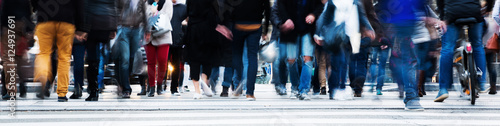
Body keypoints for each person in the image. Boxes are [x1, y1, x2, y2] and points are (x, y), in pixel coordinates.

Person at [435, 0, 493, 102]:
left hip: (452, 13)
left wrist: (443, 16)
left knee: (447, 48)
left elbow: (440, 2)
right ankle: (481, 82)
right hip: (474, 12)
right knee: (477, 45)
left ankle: (443, 89)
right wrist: (487, 9)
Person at [315, 0, 374, 100]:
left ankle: (338, 88)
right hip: (336, 36)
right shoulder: (332, 2)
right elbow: (324, 18)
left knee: (343, 63)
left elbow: (362, 16)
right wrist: (318, 34)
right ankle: (335, 89)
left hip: (349, 37)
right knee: (338, 62)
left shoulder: (355, 2)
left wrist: (369, 28)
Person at [32, 0, 88, 102]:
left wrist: (38, 8)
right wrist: (81, 27)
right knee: (64, 57)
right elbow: (79, 5)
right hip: (66, 21)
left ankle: (43, 78)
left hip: (45, 20)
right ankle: (62, 93)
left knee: (44, 53)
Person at [277, 0, 323, 101]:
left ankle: (304, 90)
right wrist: (286, 19)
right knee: (291, 60)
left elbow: (319, 5)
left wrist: (313, 15)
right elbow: (280, 4)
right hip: (291, 29)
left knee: (308, 58)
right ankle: (294, 87)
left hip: (307, 28)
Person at [186, 0, 228, 99]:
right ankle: (204, 81)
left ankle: (197, 90)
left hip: (193, 29)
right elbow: (216, 14)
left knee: (194, 59)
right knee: (207, 58)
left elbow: (187, 11)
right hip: (208, 29)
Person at [229, 0, 270, 101]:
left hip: (237, 25)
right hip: (255, 25)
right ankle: (250, 93)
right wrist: (265, 30)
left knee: (236, 55)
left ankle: (237, 84)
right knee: (252, 58)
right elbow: (268, 9)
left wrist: (228, 25)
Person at [115, 0, 151, 98]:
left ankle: (122, 82)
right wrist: (116, 24)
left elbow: (145, 13)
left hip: (136, 30)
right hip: (124, 29)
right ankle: (126, 89)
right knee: (125, 59)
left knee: (131, 58)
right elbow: (116, 8)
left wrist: (147, 30)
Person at [84, 0, 118, 101]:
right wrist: (113, 28)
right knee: (103, 55)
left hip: (92, 24)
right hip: (106, 23)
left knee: (92, 59)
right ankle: (100, 83)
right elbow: (113, 7)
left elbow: (85, 7)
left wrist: (83, 27)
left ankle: (93, 90)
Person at [0, 0, 32, 100]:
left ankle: (11, 90)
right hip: (22, 24)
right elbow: (28, 10)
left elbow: (4, 10)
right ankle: (22, 83)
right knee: (18, 55)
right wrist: (29, 28)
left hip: (9, 23)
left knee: (9, 58)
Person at [145, 0, 173, 97]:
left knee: (162, 61)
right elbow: (143, 18)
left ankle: (160, 84)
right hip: (149, 36)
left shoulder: (167, 2)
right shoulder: (146, 3)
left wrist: (155, 13)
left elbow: (168, 17)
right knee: (151, 62)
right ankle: (152, 86)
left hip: (164, 35)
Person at [169, 0, 187, 96]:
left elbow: (187, 22)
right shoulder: (164, 5)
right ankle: (159, 86)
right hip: (163, 37)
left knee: (176, 65)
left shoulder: (183, 8)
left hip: (178, 39)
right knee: (162, 63)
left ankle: (174, 87)